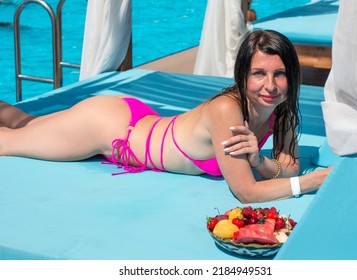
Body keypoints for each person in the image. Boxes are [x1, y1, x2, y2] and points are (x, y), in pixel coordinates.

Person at [0, 29, 331, 203]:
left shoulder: (280, 108)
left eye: (280, 74)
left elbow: (288, 167)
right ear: (242, 75)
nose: (270, 86)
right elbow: (247, 192)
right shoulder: (227, 110)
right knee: (10, 141)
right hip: (108, 130)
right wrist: (312, 182)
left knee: (23, 123)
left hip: (136, 117)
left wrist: (258, 162)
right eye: (259, 73)